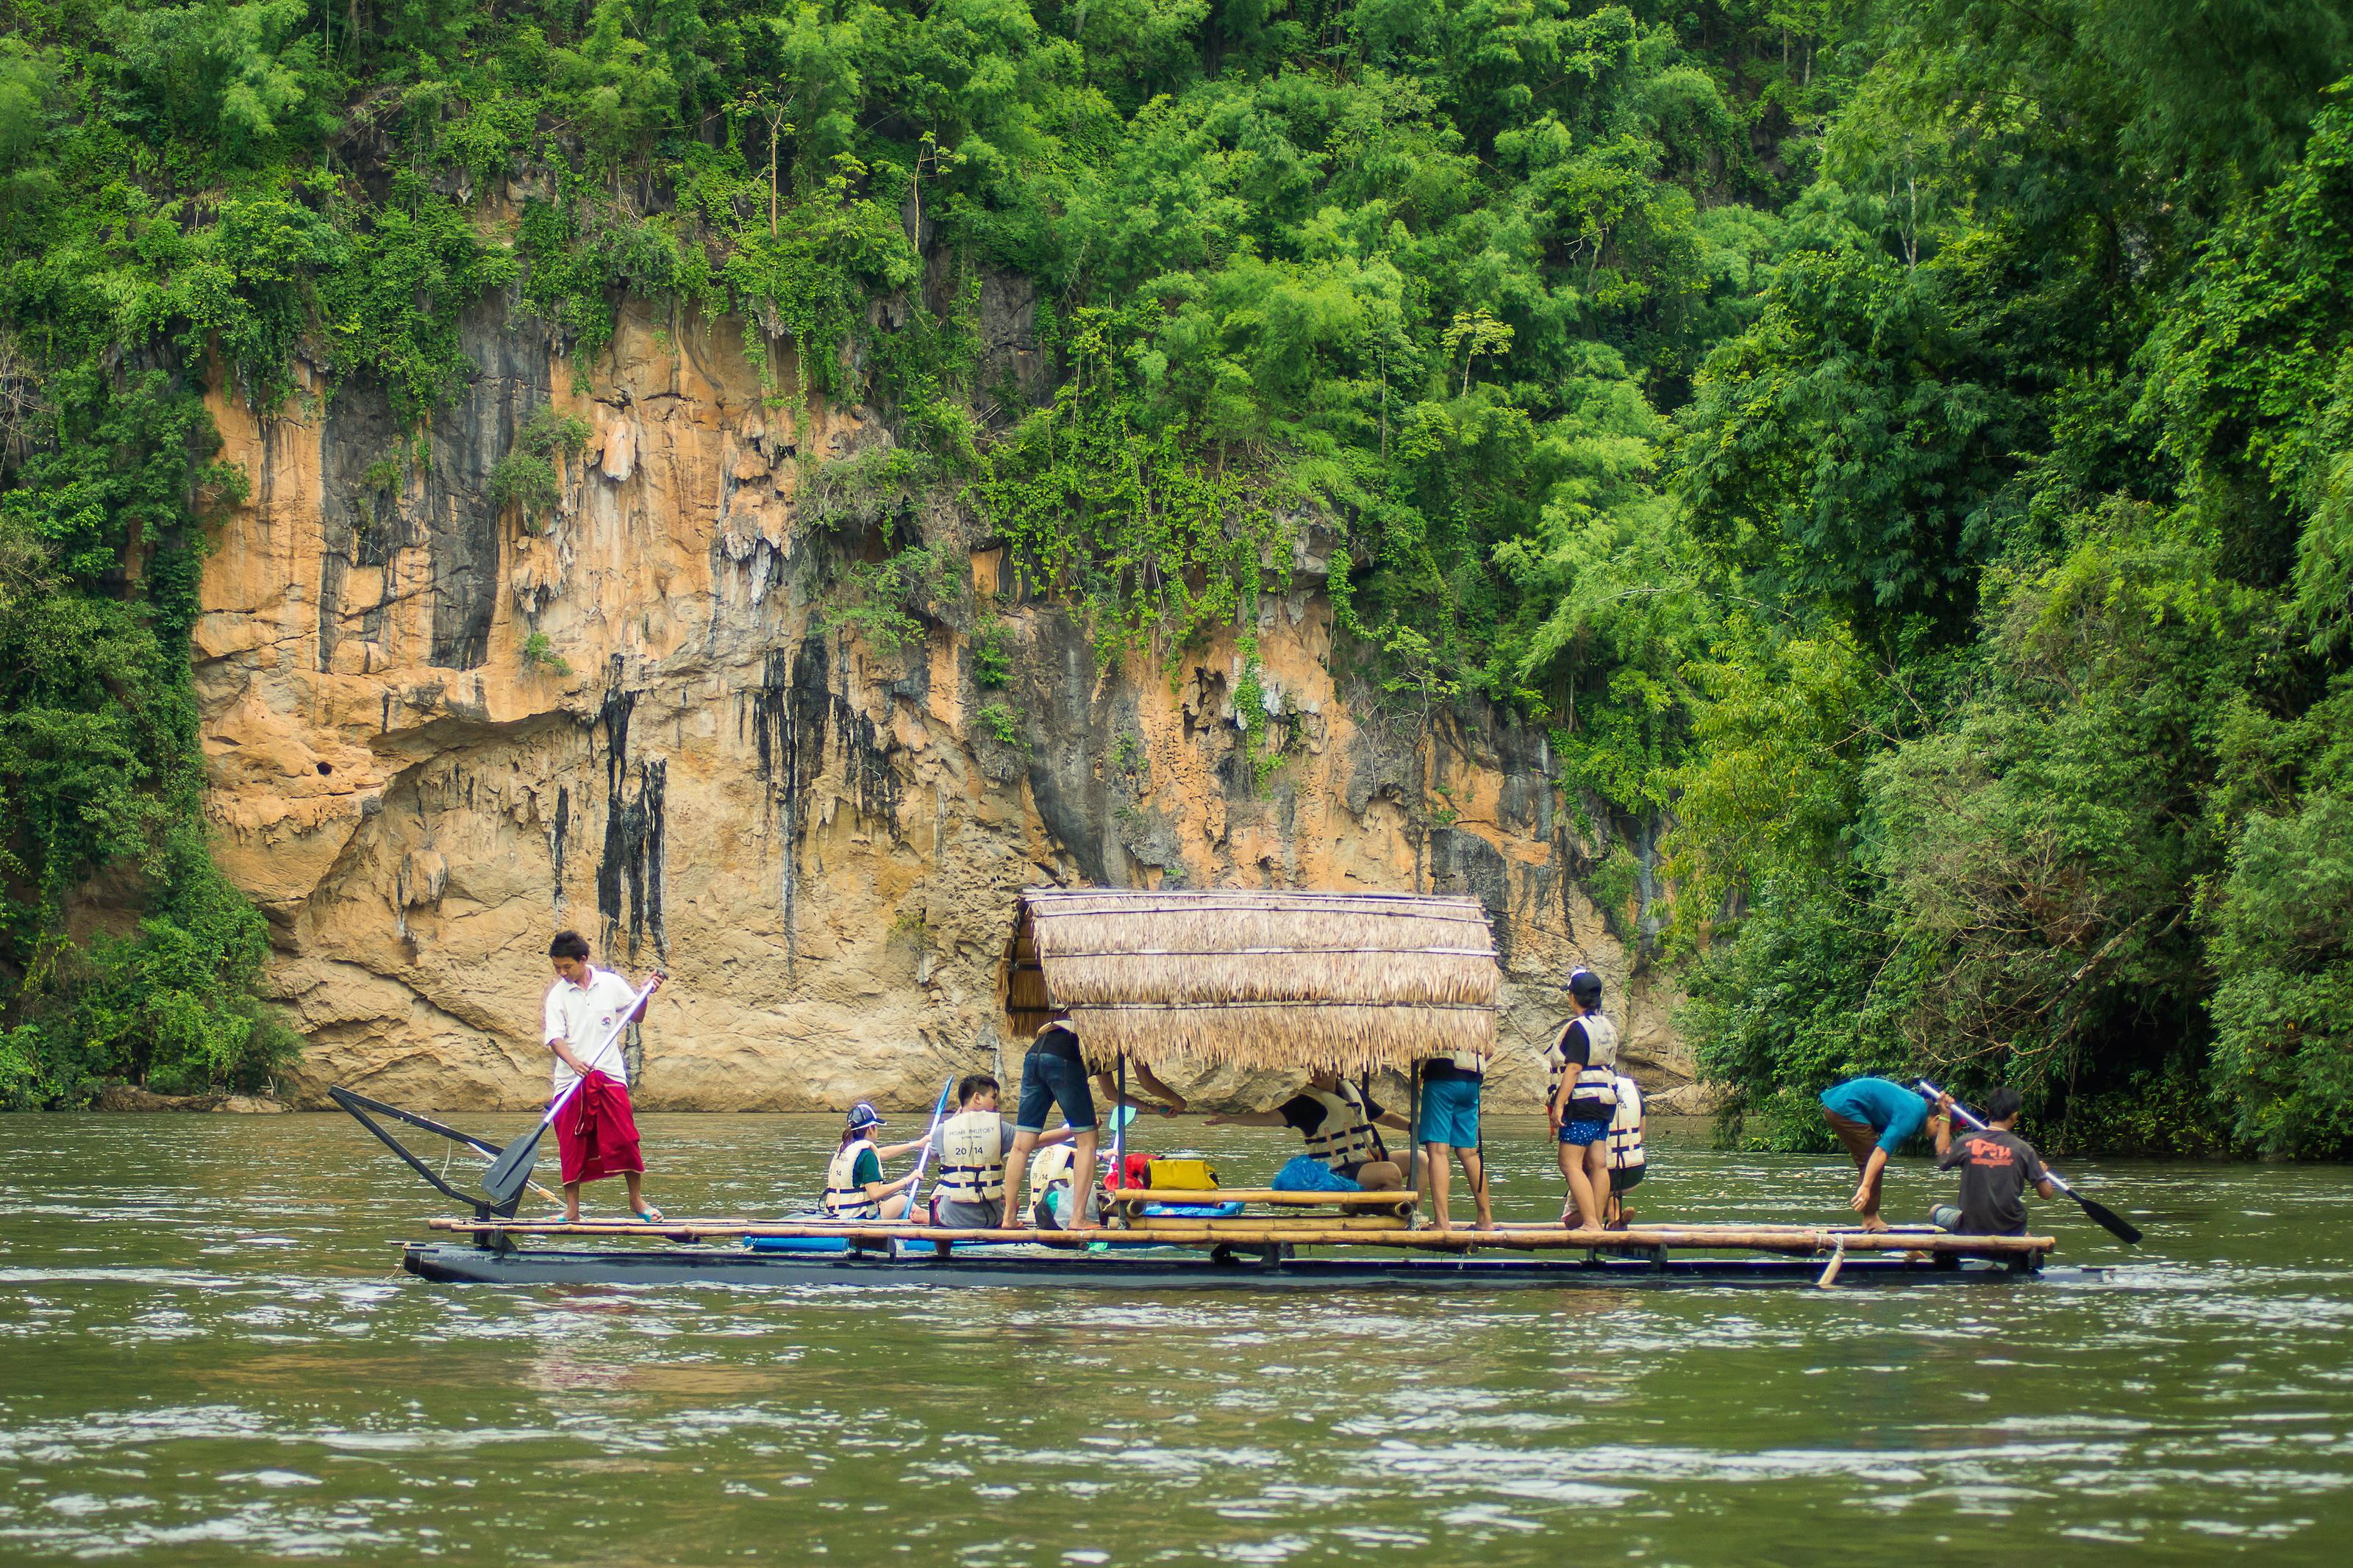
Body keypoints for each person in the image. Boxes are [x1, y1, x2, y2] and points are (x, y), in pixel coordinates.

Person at [1001, 1021, 1179, 1230]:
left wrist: (1153, 1109)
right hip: (1066, 1057)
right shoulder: (1130, 1029)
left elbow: (1111, 1093)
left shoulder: (1100, 1032)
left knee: (1022, 1144)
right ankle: (1078, 1219)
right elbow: (1147, 1082)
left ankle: (1009, 1218)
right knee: (1088, 1141)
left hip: (1035, 1056)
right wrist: (1178, 1101)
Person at [540, 929, 663, 1222]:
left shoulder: (610, 984)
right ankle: (572, 1210)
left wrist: (645, 994)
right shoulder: (557, 995)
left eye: (567, 966)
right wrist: (574, 1063)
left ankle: (637, 1202)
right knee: (571, 1145)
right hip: (571, 1081)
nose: (562, 973)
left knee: (626, 1139)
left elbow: (637, 1014)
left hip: (609, 1075)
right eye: (557, 967)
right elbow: (555, 1038)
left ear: (583, 960)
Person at [1205, 1071, 1413, 1189]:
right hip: (1339, 1171)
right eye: (1313, 1069)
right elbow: (1269, 1118)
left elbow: (1384, 1116)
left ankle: (1414, 1216)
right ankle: (1393, 1214)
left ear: (1335, 1067)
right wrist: (1232, 1119)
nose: (1317, 1073)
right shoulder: (1306, 1103)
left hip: (1368, 1161)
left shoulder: (1350, 1091)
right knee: (1390, 1172)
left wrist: (1415, 1129)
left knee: (1419, 1160)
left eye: (1322, 1067)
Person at [933, 1073, 1076, 1229]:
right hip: (992, 1217)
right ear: (977, 1098)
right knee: (1012, 1202)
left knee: (937, 1197)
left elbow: (933, 1155)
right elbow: (1039, 1140)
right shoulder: (999, 1129)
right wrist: (1074, 1131)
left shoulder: (942, 1130)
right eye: (993, 1097)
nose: (997, 1104)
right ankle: (1009, 1220)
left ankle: (943, 1253)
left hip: (951, 1218)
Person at [1546, 967, 1620, 1230]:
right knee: (1598, 1163)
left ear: (1573, 997)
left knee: (1569, 1163)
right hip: (1605, 1102)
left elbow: (1574, 1069)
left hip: (1583, 1102)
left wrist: (1559, 1105)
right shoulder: (1606, 1026)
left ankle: (1591, 1222)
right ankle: (1596, 1221)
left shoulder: (1579, 1028)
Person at [1929, 1086, 2057, 1236]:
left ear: (1988, 1111)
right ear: (2014, 1116)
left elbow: (1943, 1158)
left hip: (1972, 1227)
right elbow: (2046, 1193)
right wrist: (2041, 1173)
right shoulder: (2024, 1150)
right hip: (2013, 1229)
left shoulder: (1966, 1142)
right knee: (2027, 1235)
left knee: (1935, 1210)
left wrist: (1945, 1115)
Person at [1818, 1075, 1933, 1231]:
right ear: (1936, 1120)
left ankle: (1871, 1217)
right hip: (1846, 1106)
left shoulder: (1917, 1106)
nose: (1934, 1136)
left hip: (1840, 1104)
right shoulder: (1911, 1116)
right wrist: (1865, 1186)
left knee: (1871, 1161)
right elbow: (1881, 1152)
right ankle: (1870, 1219)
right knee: (1872, 1161)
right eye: (1939, 1130)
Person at [1418, 1044, 1493, 1234]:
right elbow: (1489, 1049)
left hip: (1442, 1076)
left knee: (1438, 1151)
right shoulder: (1479, 1016)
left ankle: (1442, 1222)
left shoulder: (1436, 1013)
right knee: (1469, 1153)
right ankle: (1485, 1219)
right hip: (1472, 1078)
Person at [821, 1102, 930, 1221]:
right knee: (902, 1200)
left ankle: (924, 1218)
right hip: (859, 1217)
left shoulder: (847, 1147)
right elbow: (875, 1194)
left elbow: (881, 1153)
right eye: (876, 1127)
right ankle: (930, 1222)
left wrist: (916, 1145)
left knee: (891, 1204)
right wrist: (909, 1179)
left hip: (837, 1214)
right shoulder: (866, 1154)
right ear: (871, 1129)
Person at [1604, 1070, 1646, 1228]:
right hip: (1635, 1172)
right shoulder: (1632, 1087)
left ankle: (1608, 1222)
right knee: (1613, 1191)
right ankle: (1615, 1221)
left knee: (1597, 1175)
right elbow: (1642, 1134)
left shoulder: (1590, 1091)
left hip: (1605, 1173)